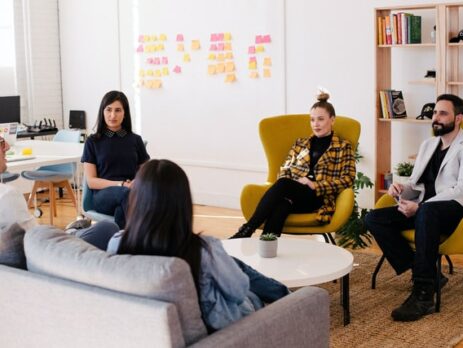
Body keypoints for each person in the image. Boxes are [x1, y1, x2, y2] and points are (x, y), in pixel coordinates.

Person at [98, 159, 289, 331]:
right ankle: (289, 299)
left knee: (231, 262)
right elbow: (238, 291)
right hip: (221, 329)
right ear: (183, 202)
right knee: (249, 289)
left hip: (151, 328)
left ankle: (282, 293)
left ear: (136, 200)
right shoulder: (202, 248)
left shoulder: (117, 243)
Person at [365, 94, 463, 322]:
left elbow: (460, 190)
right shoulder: (428, 145)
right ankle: (430, 274)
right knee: (374, 218)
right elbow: (418, 183)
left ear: (458, 118)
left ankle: (423, 295)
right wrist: (401, 189)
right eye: (435, 112)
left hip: (453, 211)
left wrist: (420, 207)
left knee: (427, 213)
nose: (435, 118)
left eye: (442, 113)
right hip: (423, 210)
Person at [230, 92, 356, 238]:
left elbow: (348, 179)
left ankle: (247, 229)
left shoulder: (343, 147)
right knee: (281, 205)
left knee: (283, 184)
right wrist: (294, 184)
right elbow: (285, 169)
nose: (316, 124)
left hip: (319, 197)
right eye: (312, 120)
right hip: (295, 192)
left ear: (332, 120)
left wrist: (316, 185)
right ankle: (267, 247)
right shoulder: (301, 144)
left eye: (321, 119)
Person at [0, 136, 119, 248]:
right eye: (1, 143)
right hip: (50, 250)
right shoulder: (7, 196)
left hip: (42, 244)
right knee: (107, 228)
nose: (7, 147)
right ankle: (71, 232)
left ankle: (71, 231)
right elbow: (35, 239)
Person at [81, 90, 149, 229]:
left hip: (129, 195)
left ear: (125, 113)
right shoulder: (93, 141)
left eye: (118, 110)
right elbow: (92, 182)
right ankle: (146, 240)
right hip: (102, 196)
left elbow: (147, 172)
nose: (113, 115)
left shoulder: (135, 140)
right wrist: (122, 184)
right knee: (127, 195)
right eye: (109, 110)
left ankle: (120, 245)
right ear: (102, 112)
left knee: (122, 211)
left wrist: (137, 181)